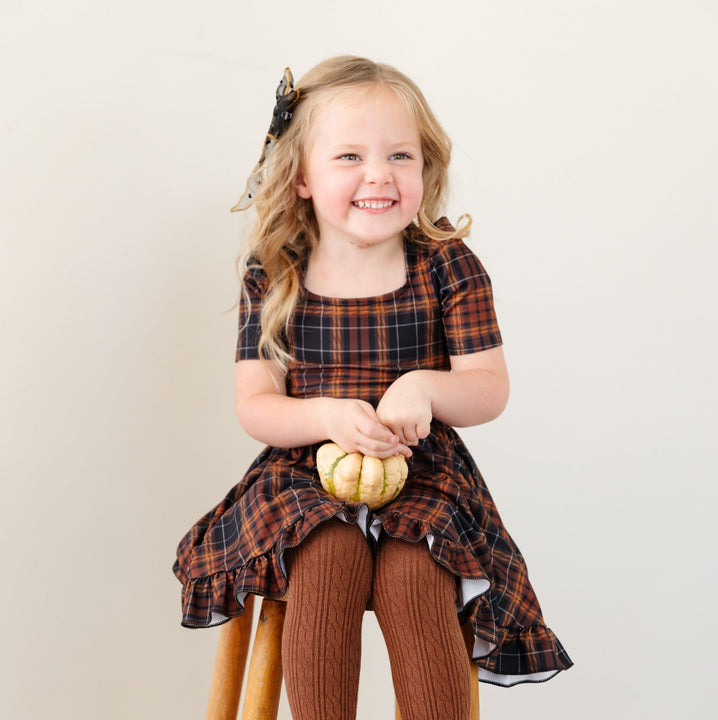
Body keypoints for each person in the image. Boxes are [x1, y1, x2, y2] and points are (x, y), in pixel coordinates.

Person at [174, 56, 572, 720]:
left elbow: (489, 388)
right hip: (306, 475)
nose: (379, 174)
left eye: (400, 155)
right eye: (350, 156)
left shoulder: (446, 263)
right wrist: (325, 415)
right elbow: (256, 405)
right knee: (326, 559)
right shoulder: (275, 272)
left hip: (422, 474)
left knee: (417, 578)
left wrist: (426, 386)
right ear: (301, 176)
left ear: (426, 166)